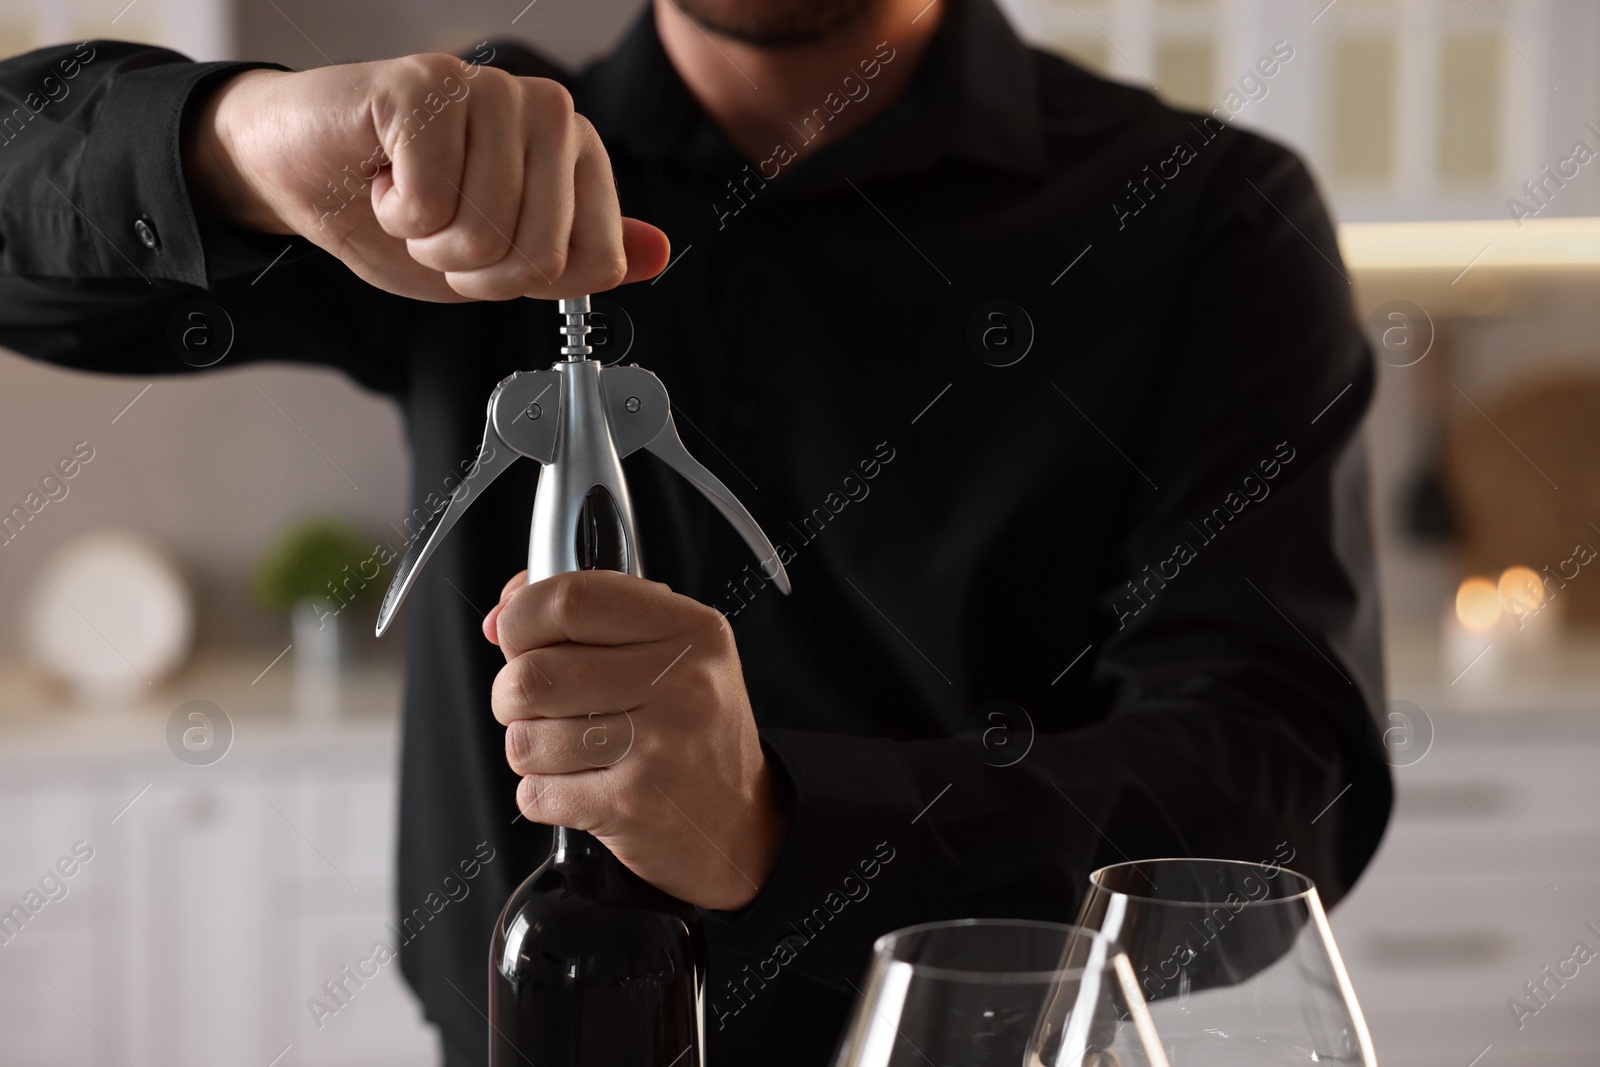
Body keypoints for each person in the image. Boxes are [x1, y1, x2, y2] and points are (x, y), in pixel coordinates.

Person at [0, 0, 1392, 1062]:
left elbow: (1277, 780)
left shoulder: (1205, 219)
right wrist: (234, 142)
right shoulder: (446, 175)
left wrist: (783, 826)